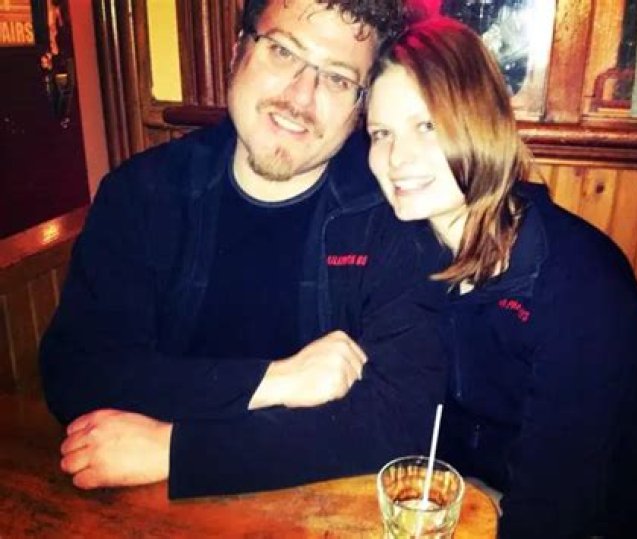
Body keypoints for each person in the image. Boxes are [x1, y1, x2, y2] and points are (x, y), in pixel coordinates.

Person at [39, 0, 449, 499]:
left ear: (360, 105)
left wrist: (175, 451)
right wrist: (272, 381)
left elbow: (400, 422)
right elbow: (77, 372)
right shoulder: (143, 193)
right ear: (238, 50)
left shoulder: (392, 216)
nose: (301, 97)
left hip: (324, 514)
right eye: (283, 52)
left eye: (338, 79)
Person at [366, 16, 637, 538]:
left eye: (428, 126)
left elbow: (557, 507)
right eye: (381, 133)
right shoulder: (409, 251)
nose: (396, 158)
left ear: (482, 124)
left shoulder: (580, 282)